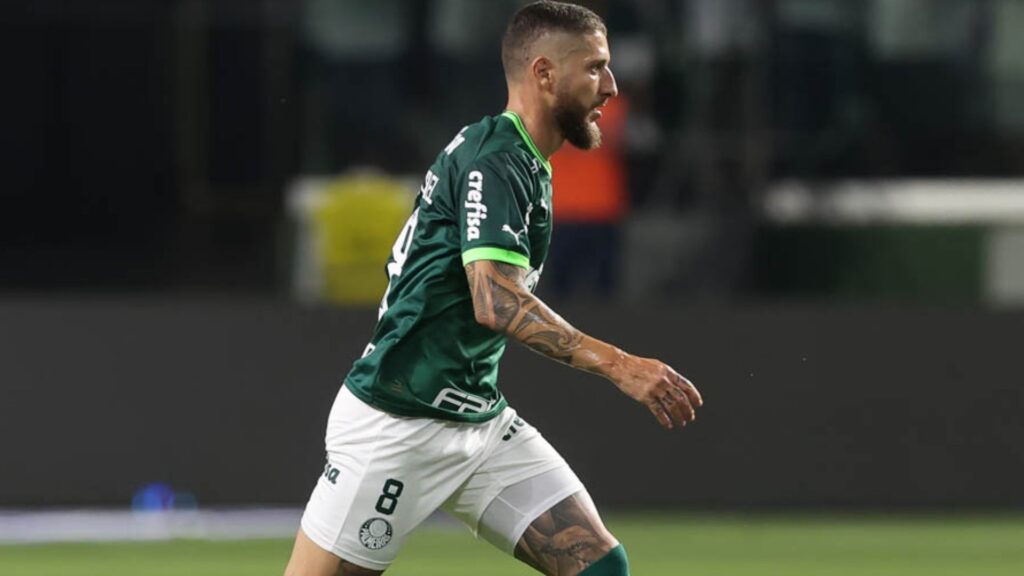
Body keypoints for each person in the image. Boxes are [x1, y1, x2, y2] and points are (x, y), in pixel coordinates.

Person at [284, 3, 702, 575]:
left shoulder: (524, 159)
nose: (611, 86)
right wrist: (620, 365)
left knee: (599, 566)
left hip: (477, 422)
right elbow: (496, 300)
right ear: (544, 73)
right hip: (399, 423)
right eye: (595, 68)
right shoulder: (497, 161)